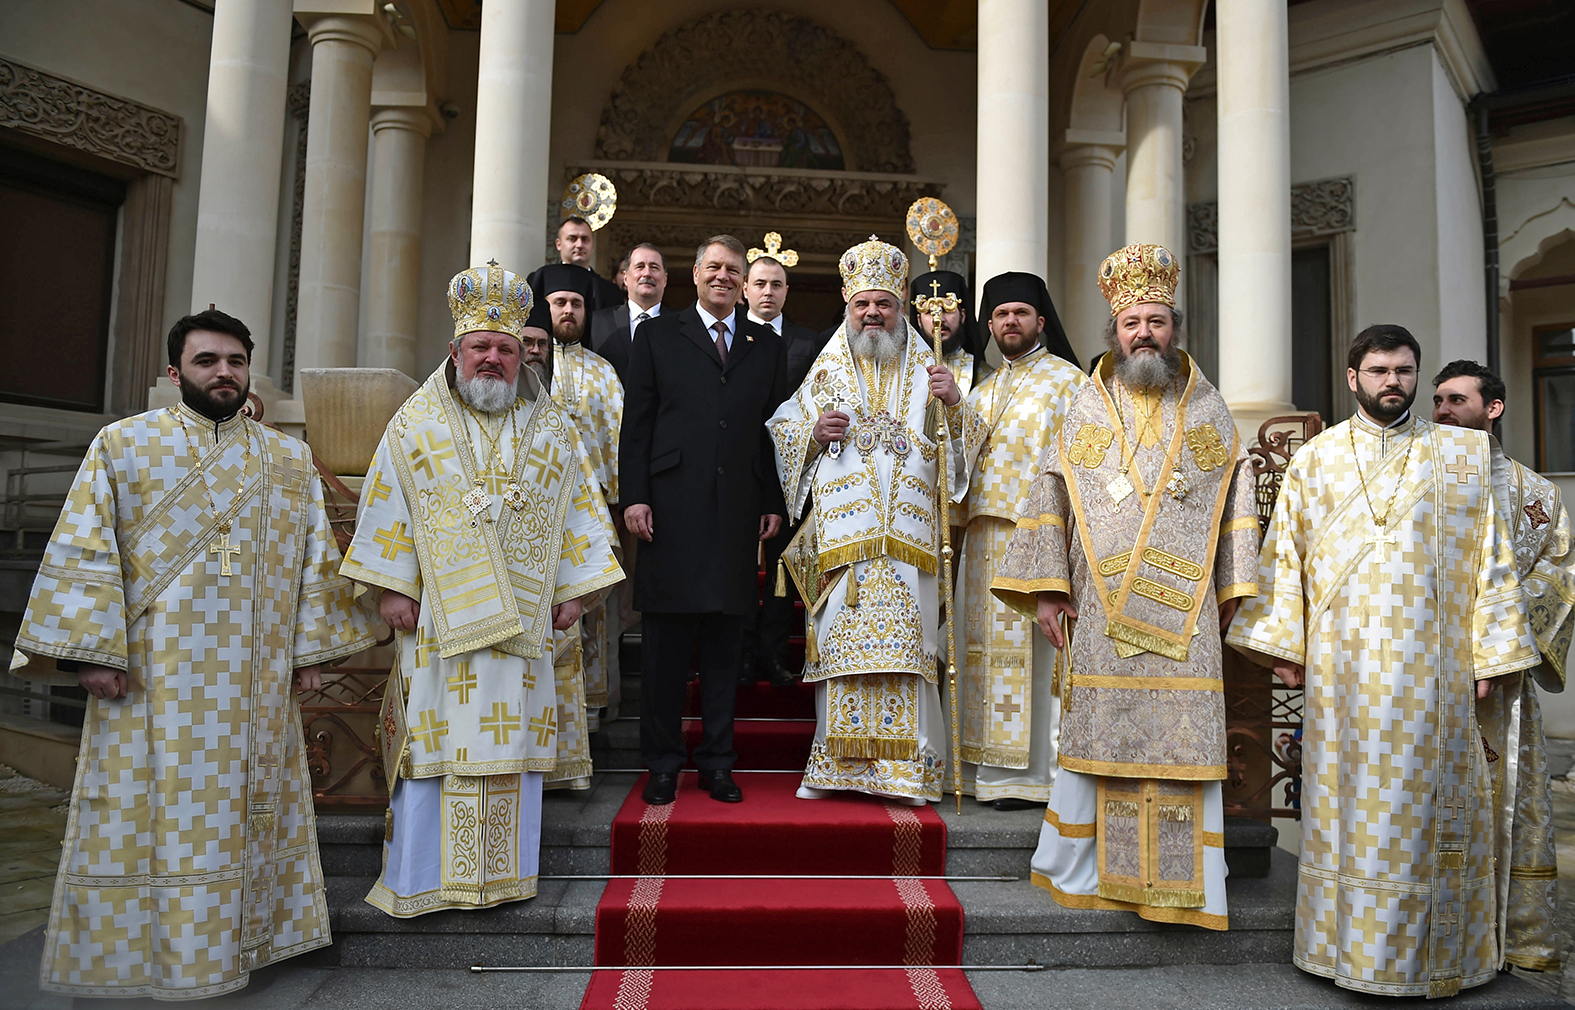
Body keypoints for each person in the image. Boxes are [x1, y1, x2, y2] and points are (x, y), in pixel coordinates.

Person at [10, 308, 374, 998]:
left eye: (236, 361)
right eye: (207, 361)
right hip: (154, 677)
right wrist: (95, 652)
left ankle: (245, 945)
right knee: (152, 815)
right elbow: (85, 550)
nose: (224, 373)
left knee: (245, 813)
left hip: (253, 681)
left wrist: (311, 650)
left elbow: (312, 567)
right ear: (177, 372)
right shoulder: (123, 446)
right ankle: (150, 959)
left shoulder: (287, 459)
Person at [1227, 325, 1541, 996]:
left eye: (1402, 370)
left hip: (1434, 671)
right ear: (1352, 378)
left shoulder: (1462, 455)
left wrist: (1490, 652)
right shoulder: (1315, 459)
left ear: (1415, 376)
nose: (1390, 381)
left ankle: (1431, 960)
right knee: (1344, 814)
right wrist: (1286, 648)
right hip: (1341, 677)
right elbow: (1285, 554)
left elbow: (1492, 558)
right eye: (1377, 370)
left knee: (1423, 813)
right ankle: (1339, 951)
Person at [990, 243, 1259, 930]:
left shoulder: (1208, 410)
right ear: (1115, 329)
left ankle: (1181, 882)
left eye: (1157, 321)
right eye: (1132, 321)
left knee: (1178, 738)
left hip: (1185, 617)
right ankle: (1088, 870)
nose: (1145, 333)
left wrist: (1236, 597)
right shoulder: (1082, 406)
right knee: (1100, 733)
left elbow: (1236, 509)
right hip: (1097, 603)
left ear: (1175, 328)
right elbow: (1047, 494)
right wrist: (1046, 589)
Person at [342, 262, 622, 916]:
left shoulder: (553, 428)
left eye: (505, 348)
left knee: (508, 749)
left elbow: (581, 512)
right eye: (480, 347)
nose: (493, 358)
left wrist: (576, 590)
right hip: (441, 624)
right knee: (432, 749)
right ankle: (421, 881)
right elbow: (387, 505)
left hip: (524, 629)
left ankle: (501, 881)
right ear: (455, 352)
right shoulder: (414, 424)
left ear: (523, 355)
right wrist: (390, 588)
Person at [767, 236, 987, 805]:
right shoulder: (829, 366)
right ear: (848, 305)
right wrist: (812, 436)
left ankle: (908, 773)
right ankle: (838, 770)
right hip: (844, 538)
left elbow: (970, 451)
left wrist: (956, 405)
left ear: (900, 307)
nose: (872, 314)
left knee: (910, 655)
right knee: (842, 656)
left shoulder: (929, 367)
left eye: (883, 304)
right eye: (863, 303)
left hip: (910, 540)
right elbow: (783, 427)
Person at [621, 235, 788, 805]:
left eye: (732, 270)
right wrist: (634, 497)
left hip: (738, 510)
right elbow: (636, 424)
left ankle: (718, 762)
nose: (722, 276)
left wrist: (772, 499)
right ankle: (663, 764)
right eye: (712, 267)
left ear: (744, 281)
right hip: (669, 508)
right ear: (694, 275)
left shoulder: (764, 345)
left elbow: (771, 432)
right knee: (666, 650)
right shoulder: (658, 335)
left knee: (724, 648)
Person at [1433, 359, 1570, 974]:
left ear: (1493, 409)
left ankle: (1514, 940)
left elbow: (1557, 577)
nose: (1442, 409)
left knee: (1505, 801)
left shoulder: (1535, 494)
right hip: (1420, 672)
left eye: (1457, 399)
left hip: (1501, 685)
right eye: (1436, 398)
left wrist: (1508, 651)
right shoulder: (1411, 478)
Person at [949, 272, 1085, 810]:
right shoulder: (979, 393)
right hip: (982, 541)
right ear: (988, 325)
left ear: (1040, 321)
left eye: (1021, 314)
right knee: (980, 655)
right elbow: (959, 472)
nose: (1011, 322)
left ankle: (1034, 776)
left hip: (1039, 537)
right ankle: (982, 770)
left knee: (1034, 659)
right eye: (1002, 315)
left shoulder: (1069, 382)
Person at [537, 263, 625, 734]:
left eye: (576, 304)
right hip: (533, 506)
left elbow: (617, 436)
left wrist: (615, 498)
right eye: (559, 303)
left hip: (589, 508)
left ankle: (591, 708)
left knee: (592, 608)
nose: (568, 311)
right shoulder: (527, 360)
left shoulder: (604, 372)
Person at [740, 252, 829, 687]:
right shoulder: (726, 336)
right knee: (735, 568)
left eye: (776, 284)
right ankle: (736, 656)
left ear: (787, 291)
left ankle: (773, 656)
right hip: (737, 467)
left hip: (790, 473)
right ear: (745, 289)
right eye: (760, 284)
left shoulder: (808, 343)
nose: (768, 292)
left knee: (781, 573)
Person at [591, 242, 668, 382]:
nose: (647, 273)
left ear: (665, 279)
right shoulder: (598, 322)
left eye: (654, 268)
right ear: (625, 278)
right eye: (640, 267)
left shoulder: (680, 325)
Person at [908, 269, 988, 398]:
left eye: (947, 310)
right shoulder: (905, 372)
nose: (938, 319)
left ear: (962, 316)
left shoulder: (985, 375)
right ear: (919, 321)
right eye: (929, 312)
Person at [529, 216, 621, 314]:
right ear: (558, 244)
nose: (579, 245)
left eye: (585, 239)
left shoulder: (611, 290)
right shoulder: (540, 280)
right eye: (572, 239)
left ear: (593, 245)